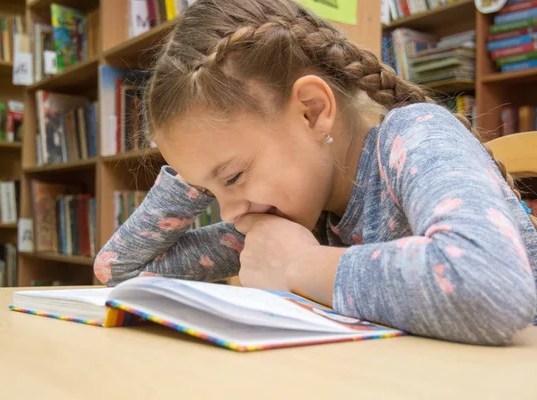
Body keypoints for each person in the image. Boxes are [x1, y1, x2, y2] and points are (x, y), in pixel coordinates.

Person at [94, 0, 537, 345]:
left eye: (232, 177)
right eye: (208, 190)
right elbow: (122, 273)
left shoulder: (415, 136)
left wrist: (300, 264)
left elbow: (490, 287)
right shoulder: (296, 213)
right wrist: (194, 176)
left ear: (312, 112)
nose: (229, 213)